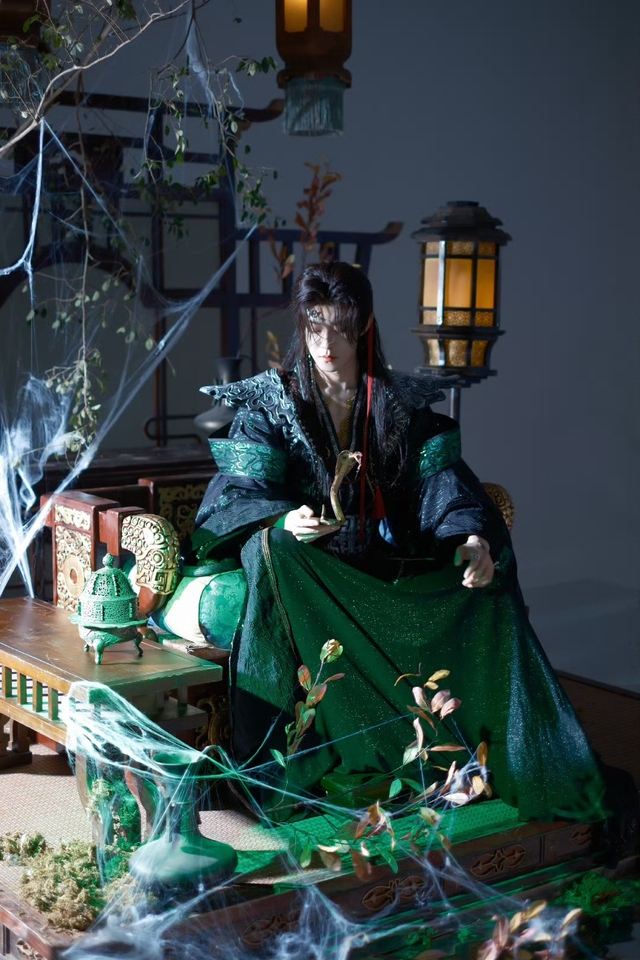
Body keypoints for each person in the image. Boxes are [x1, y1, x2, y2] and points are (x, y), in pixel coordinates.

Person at [193, 261, 608, 824]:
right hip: (308, 567)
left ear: (364, 325)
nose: (326, 344)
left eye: (340, 328)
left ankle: (482, 741)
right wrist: (286, 519)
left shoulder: (398, 404)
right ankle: (349, 747)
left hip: (381, 561)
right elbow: (238, 495)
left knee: (489, 573)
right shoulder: (270, 404)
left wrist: (470, 538)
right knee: (277, 550)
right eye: (314, 327)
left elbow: (445, 486)